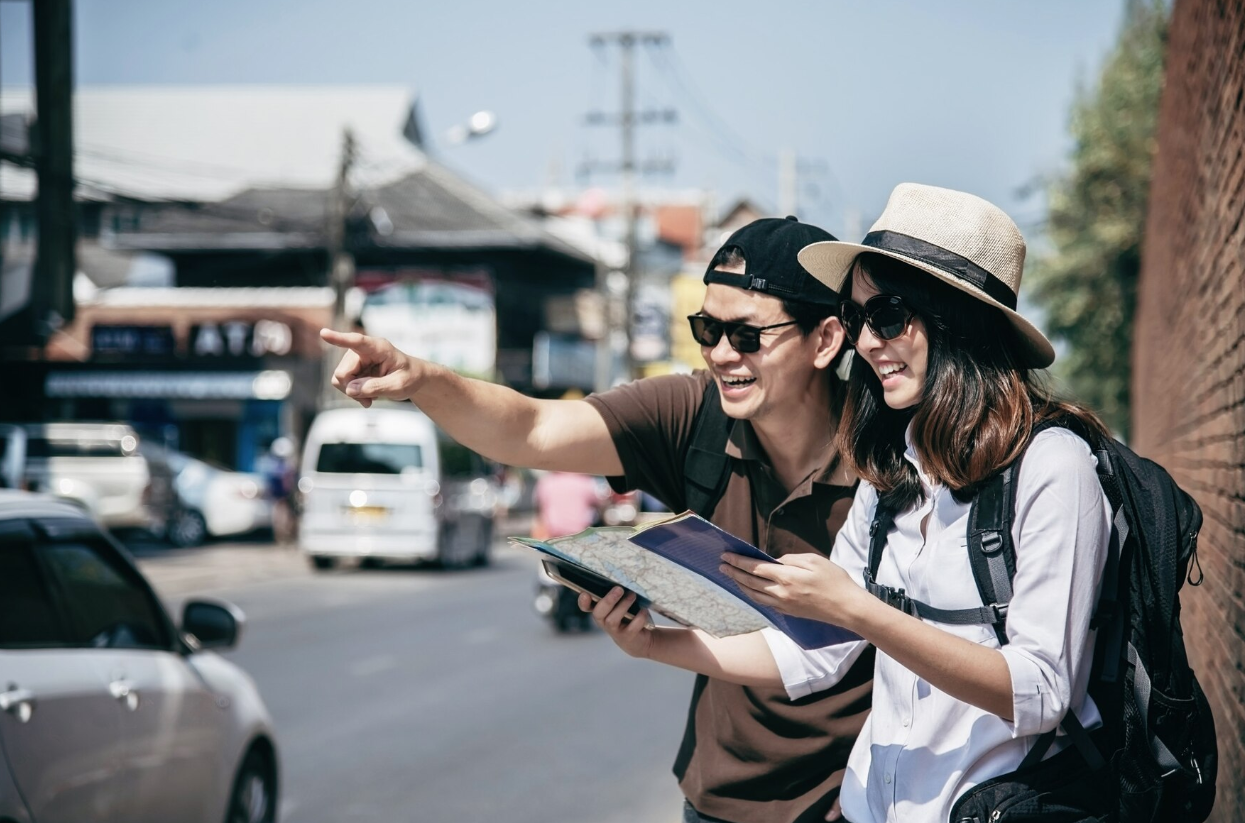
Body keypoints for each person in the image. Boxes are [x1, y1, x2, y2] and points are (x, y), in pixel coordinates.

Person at [588, 183, 1114, 823]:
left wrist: (863, 613)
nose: (866, 342)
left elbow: (1041, 690)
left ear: (958, 320)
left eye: (887, 317)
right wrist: (654, 644)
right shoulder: (895, 470)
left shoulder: (1053, 467)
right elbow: (812, 650)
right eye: (860, 319)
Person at [320, 215, 873, 823]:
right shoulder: (693, 413)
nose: (720, 354)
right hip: (721, 796)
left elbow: (837, 652)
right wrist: (425, 380)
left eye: (746, 335)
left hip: (862, 798)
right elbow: (533, 429)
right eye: (707, 328)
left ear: (825, 340)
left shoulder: (889, 457)